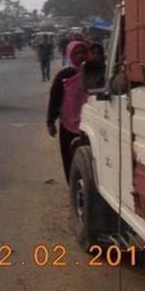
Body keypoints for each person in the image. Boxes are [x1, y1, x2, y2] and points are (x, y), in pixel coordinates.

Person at [47, 41, 90, 184]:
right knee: (69, 156)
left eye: (83, 52)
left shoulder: (94, 72)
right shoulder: (64, 75)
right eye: (76, 53)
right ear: (71, 55)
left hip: (91, 123)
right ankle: (73, 184)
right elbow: (54, 98)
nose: (81, 56)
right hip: (68, 124)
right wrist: (50, 122)